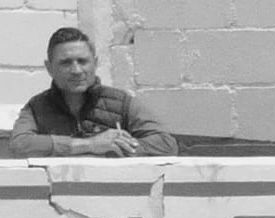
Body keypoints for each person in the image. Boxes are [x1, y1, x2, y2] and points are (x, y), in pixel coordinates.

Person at [7, 27, 179, 159]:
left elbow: (166, 144)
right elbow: (19, 146)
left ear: (95, 63)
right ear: (49, 68)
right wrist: (89, 145)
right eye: (66, 63)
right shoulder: (37, 107)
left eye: (83, 61)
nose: (76, 70)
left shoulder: (121, 102)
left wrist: (115, 148)